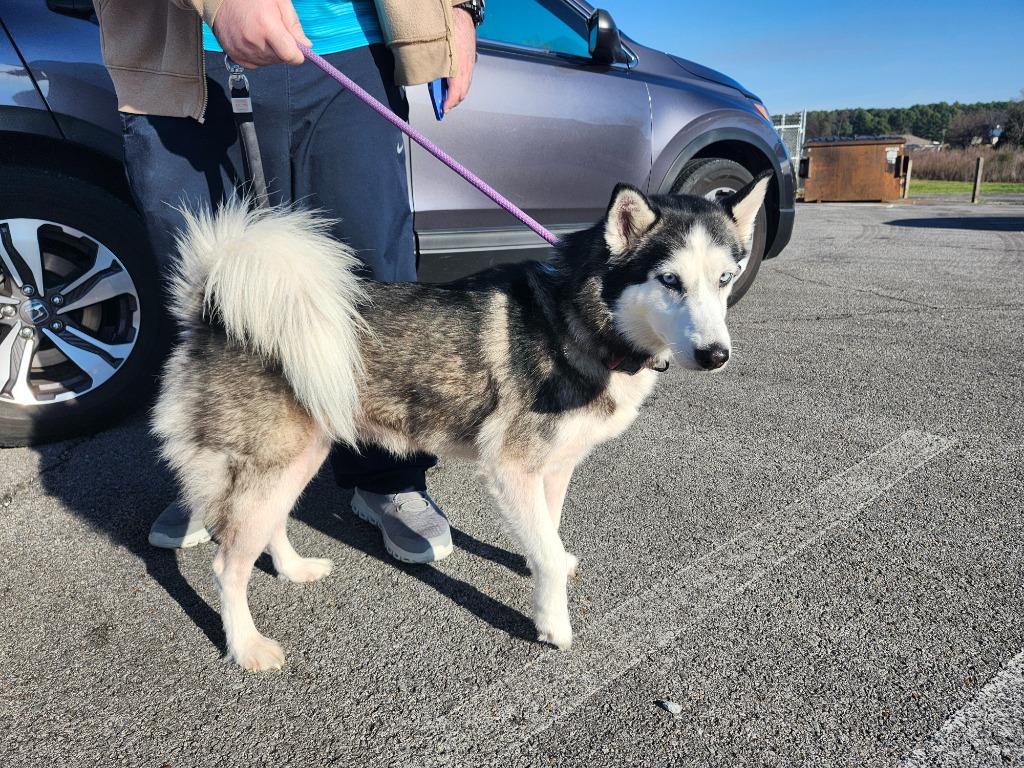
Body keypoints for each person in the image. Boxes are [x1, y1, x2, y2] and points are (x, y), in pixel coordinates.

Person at [93, 0, 485, 563]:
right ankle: (224, 475)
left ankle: (386, 478)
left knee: (375, 290)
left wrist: (461, 9)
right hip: (180, 54)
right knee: (214, 293)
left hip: (351, 48)